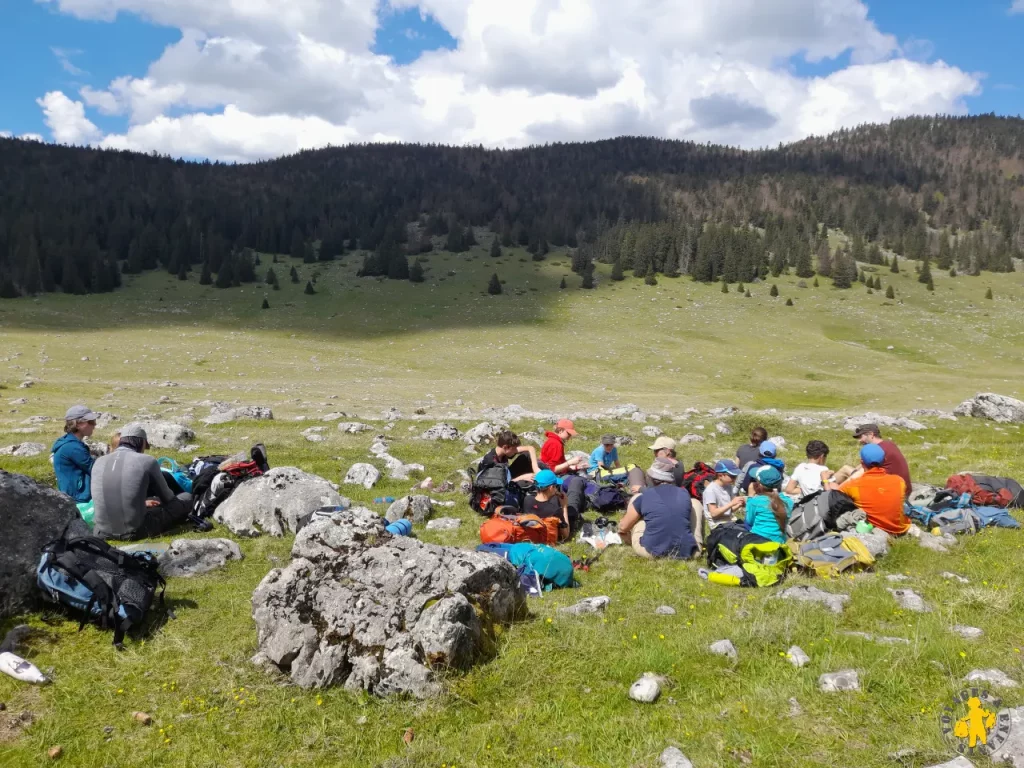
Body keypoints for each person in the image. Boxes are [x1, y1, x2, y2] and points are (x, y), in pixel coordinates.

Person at [91, 425, 192, 540]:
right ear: (141, 443)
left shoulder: (98, 461)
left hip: (101, 531)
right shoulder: (147, 461)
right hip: (136, 531)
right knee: (186, 497)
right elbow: (168, 497)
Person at [617, 459, 698, 559]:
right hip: (688, 552)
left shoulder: (645, 497)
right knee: (695, 503)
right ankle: (697, 542)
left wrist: (622, 525)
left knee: (639, 516)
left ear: (651, 478)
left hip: (651, 552)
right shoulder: (684, 493)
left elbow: (623, 527)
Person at [829, 444, 910, 535]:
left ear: (862, 462)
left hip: (875, 528)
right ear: (884, 460)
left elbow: (833, 496)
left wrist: (828, 483)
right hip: (900, 529)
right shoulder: (899, 480)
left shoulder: (853, 484)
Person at [51, 405, 98, 502]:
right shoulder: (72, 447)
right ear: (78, 424)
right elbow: (95, 470)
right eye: (91, 422)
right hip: (78, 500)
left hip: (74, 497)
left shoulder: (71, 444)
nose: (94, 425)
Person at [741, 465, 793, 544]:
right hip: (779, 543)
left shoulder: (756, 501)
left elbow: (749, 521)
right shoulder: (788, 501)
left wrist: (750, 496)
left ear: (760, 485)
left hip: (757, 543)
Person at [521, 469, 570, 542]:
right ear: (551, 488)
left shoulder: (527, 500)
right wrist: (564, 507)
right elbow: (565, 535)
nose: (556, 488)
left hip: (531, 535)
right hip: (547, 537)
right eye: (555, 486)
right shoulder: (554, 509)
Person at [703, 460, 745, 529]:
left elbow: (728, 510)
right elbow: (714, 514)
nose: (735, 479)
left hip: (730, 521)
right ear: (720, 475)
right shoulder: (711, 490)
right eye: (732, 476)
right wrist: (732, 503)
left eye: (736, 476)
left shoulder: (728, 486)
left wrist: (739, 505)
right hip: (718, 525)